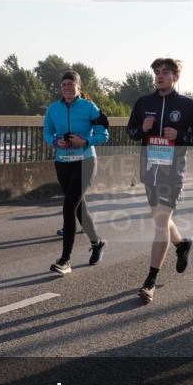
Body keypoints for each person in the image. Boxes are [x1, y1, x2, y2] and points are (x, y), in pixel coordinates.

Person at [126, 57, 193, 303]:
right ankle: (182, 244)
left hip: (173, 173)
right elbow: (131, 133)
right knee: (162, 219)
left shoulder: (187, 105)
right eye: (157, 72)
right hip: (150, 170)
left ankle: (150, 280)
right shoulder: (144, 103)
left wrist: (180, 135)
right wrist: (143, 128)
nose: (160, 76)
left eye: (165, 72)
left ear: (176, 77)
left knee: (161, 222)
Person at [43, 71, 109, 275]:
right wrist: (56, 141)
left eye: (71, 84)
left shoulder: (89, 107)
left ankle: (65, 260)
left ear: (79, 87)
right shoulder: (53, 109)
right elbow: (47, 132)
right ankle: (97, 242)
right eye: (64, 84)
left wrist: (85, 141)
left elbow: (103, 133)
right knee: (79, 208)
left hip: (85, 162)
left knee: (69, 207)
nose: (67, 88)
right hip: (63, 162)